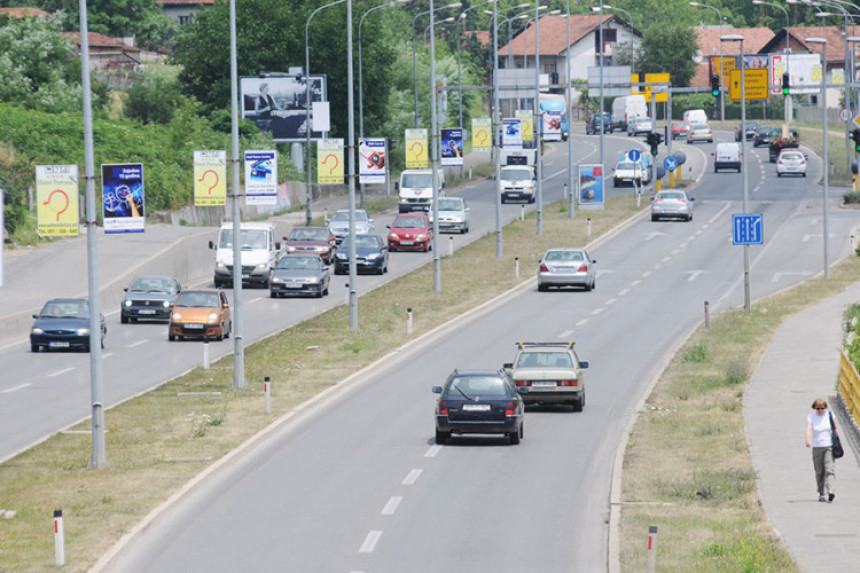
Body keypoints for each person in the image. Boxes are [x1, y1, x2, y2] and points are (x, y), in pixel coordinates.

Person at [805, 398, 840, 502]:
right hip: (817, 447)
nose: (820, 410)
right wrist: (808, 440)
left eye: (822, 408)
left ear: (825, 408)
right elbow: (808, 429)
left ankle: (831, 491)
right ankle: (821, 493)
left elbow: (835, 429)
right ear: (814, 408)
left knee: (830, 469)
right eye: (818, 408)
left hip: (829, 446)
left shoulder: (830, 415)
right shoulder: (811, 417)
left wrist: (838, 442)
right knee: (819, 471)